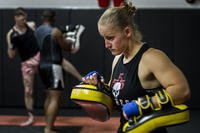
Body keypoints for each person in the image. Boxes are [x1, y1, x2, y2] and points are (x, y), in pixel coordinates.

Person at [82, 1, 191, 133]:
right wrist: (99, 86)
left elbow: (182, 90)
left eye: (110, 38)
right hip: (125, 129)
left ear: (127, 32)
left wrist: (142, 105)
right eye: (104, 38)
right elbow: (117, 98)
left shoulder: (152, 57)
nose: (106, 45)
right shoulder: (117, 59)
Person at [35, 10, 84, 133]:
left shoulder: (38, 31)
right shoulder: (55, 31)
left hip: (42, 65)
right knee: (55, 99)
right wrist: (71, 39)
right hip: (53, 67)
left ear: (42, 17)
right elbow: (67, 47)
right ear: (53, 18)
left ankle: (48, 124)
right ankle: (48, 128)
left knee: (49, 96)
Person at [6, 7, 40, 126]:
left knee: (52, 81)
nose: (24, 20)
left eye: (25, 17)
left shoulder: (31, 25)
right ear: (16, 18)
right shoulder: (11, 33)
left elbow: (38, 38)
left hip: (39, 56)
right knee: (28, 91)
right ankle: (30, 117)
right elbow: (11, 55)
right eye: (22, 18)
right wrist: (11, 43)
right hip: (26, 63)